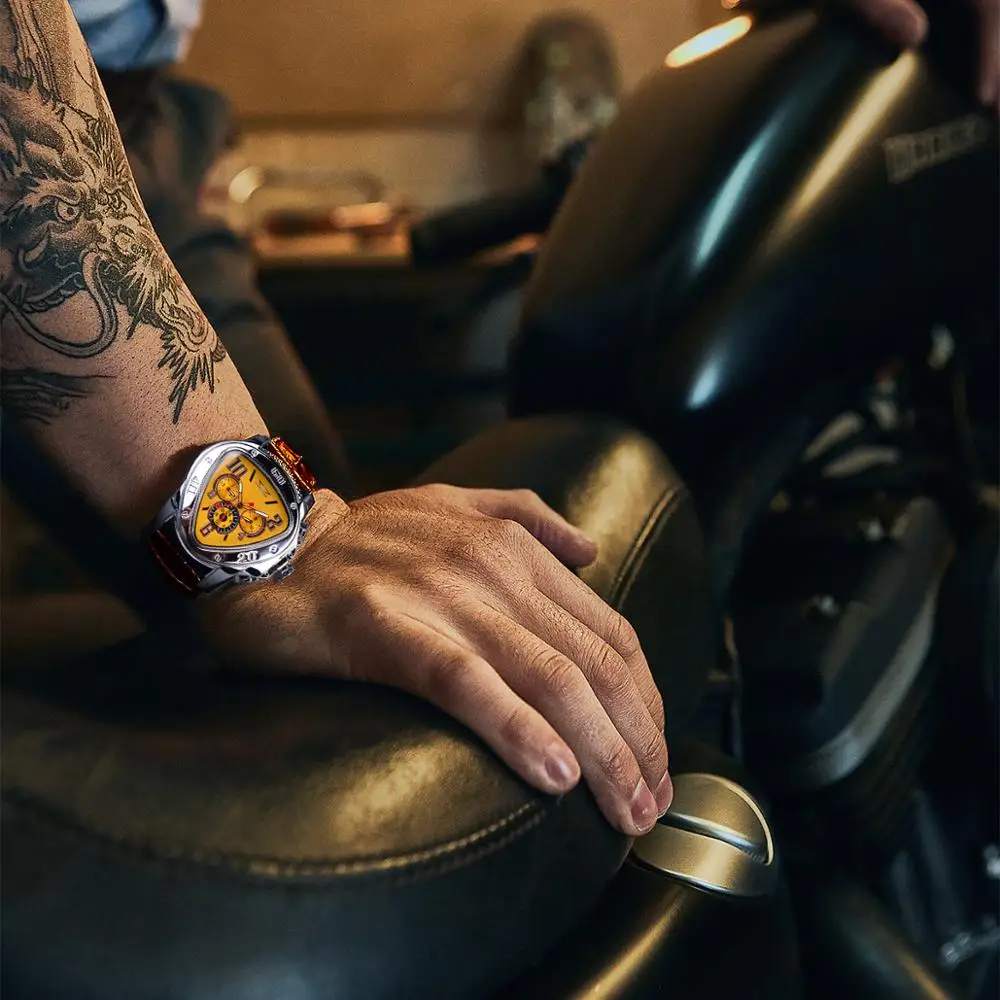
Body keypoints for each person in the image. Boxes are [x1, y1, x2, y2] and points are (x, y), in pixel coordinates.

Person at [0, 0, 994, 842]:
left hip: (135, 122)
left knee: (368, 658)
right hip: (37, 142)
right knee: (315, 678)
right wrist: (282, 538)